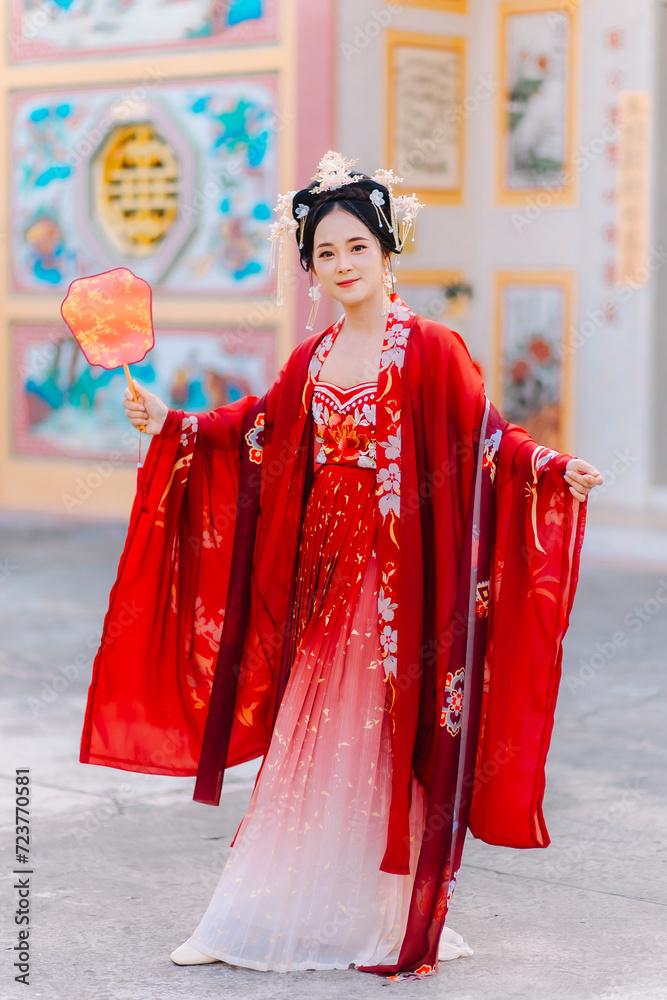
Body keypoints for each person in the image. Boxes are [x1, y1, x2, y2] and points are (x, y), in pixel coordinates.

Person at [79, 151, 602, 981]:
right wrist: (173, 423)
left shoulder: (431, 348)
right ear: (311, 271)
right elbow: (256, 427)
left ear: (388, 251)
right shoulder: (312, 361)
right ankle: (251, 907)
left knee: (381, 737)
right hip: (320, 574)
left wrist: (548, 469)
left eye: (357, 246)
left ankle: (379, 911)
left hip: (401, 580)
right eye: (325, 254)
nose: (343, 265)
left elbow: (487, 437)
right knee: (308, 735)